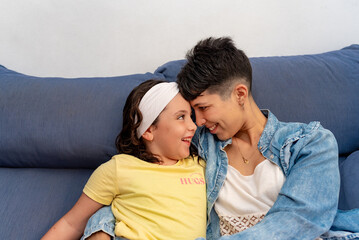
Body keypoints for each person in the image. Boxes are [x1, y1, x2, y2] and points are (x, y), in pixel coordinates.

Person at [81, 37, 359, 240]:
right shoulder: (199, 145)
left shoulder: (310, 143)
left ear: (239, 94)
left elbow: (299, 221)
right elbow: (140, 188)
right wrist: (102, 228)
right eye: (189, 113)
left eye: (202, 108)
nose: (197, 122)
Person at [41, 80, 207, 240]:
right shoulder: (119, 169)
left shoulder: (201, 165)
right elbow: (71, 224)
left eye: (191, 117)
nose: (193, 126)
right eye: (180, 117)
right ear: (148, 130)